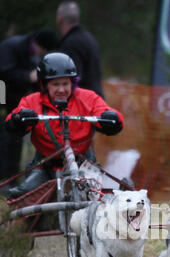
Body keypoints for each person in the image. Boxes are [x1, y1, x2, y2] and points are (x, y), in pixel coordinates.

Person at [5, 52, 123, 200]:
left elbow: (109, 114)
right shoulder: (32, 101)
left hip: (83, 165)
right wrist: (19, 119)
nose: (61, 90)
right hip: (45, 166)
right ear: (44, 85)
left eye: (65, 84)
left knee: (96, 199)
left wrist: (111, 118)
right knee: (24, 195)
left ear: (72, 83)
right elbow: (12, 120)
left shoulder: (88, 98)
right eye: (55, 84)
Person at [0, 29, 58, 182]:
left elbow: (33, 80)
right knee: (3, 133)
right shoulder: (12, 47)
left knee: (15, 136)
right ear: (41, 47)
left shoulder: (32, 53)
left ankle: (10, 177)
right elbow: (4, 73)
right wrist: (27, 76)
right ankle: (4, 176)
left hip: (14, 98)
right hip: (2, 92)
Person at [56, 1, 104, 97]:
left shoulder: (69, 44)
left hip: (84, 104)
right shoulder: (89, 38)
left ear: (60, 19)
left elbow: (74, 79)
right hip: (97, 98)